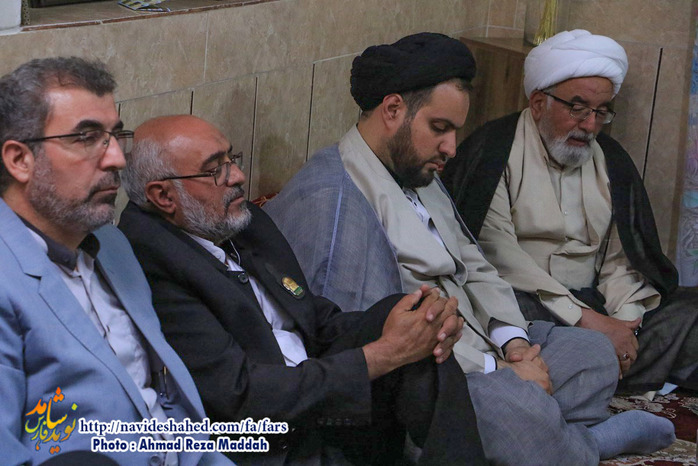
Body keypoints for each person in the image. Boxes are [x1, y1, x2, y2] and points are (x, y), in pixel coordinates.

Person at [265, 32, 676, 464]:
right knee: (512, 406)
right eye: (439, 128)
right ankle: (583, 445)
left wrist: (515, 343)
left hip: (485, 343)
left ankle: (540, 436)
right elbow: (367, 345)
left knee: (593, 355)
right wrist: (502, 372)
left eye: (454, 131)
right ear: (393, 110)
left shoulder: (417, 170)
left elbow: (475, 264)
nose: (451, 148)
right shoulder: (337, 200)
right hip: (435, 375)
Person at [118, 114, 487, 465]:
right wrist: (382, 355)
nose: (238, 176)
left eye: (232, 159)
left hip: (320, 400)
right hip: (272, 443)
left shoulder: (235, 221)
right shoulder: (151, 263)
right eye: (216, 170)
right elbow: (240, 396)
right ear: (163, 196)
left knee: (416, 324)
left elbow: (312, 318)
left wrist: (408, 324)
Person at [0, 57, 230, 465]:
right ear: (20, 160)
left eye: (115, 135)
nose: (117, 159)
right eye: (86, 138)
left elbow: (166, 402)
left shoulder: (113, 244)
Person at [441, 29, 698, 394]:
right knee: (503, 320)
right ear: (538, 103)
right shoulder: (493, 153)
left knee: (689, 311)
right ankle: (599, 367)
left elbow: (622, 261)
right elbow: (498, 256)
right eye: (577, 108)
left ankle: (603, 364)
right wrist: (583, 320)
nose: (590, 125)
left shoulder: (611, 160)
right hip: (529, 302)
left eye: (601, 112)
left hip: (598, 305)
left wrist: (624, 324)